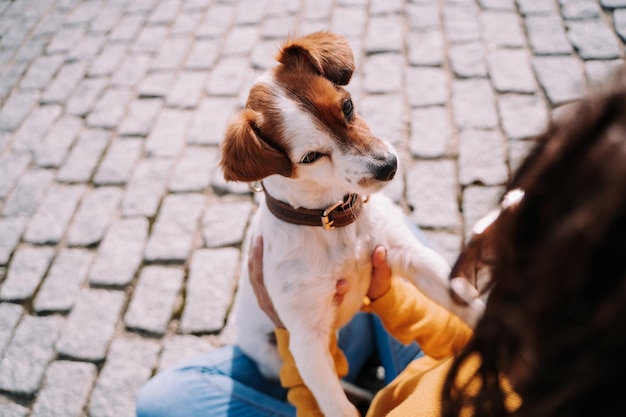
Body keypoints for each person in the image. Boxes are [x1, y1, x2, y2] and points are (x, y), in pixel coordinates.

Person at [138, 72, 626, 416]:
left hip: (298, 346)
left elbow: (306, 345)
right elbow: (435, 299)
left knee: (162, 401)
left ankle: (358, 389)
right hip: (426, 342)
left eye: (527, 214)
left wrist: (291, 334)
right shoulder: (536, 363)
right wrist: (389, 295)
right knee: (403, 243)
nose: (481, 231)